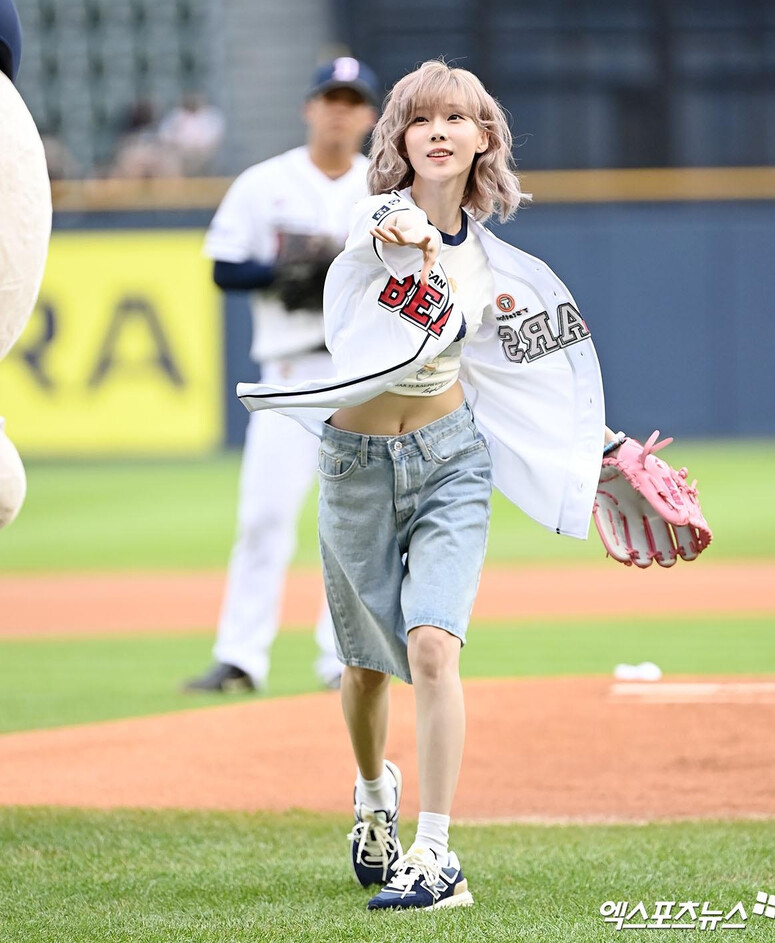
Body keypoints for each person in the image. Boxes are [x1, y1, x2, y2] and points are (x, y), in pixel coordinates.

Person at [236, 61, 704, 910]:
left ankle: (437, 852)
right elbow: (385, 228)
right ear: (401, 140)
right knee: (364, 668)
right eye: (423, 119)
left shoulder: (501, 271)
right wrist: (409, 237)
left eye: (459, 117)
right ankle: (375, 794)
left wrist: (612, 449)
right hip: (355, 465)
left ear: (484, 138)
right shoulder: (376, 214)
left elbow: (524, 387)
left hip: (452, 461)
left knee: (431, 647)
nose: (441, 129)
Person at [183, 57, 379, 695]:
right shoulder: (264, 183)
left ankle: (339, 659)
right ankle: (241, 658)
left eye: (353, 101)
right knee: (265, 518)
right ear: (309, 107)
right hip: (289, 374)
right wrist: (283, 273)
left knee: (350, 522)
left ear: (370, 117)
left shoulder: (380, 190)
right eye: (331, 98)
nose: (340, 111)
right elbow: (222, 269)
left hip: (360, 377)